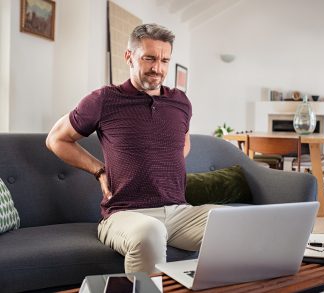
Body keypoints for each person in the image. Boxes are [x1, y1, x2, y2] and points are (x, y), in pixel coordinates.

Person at [46, 23, 219, 274]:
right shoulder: (105, 99)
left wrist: (161, 160)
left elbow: (183, 143)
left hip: (179, 212)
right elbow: (56, 139)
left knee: (231, 222)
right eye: (149, 58)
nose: (157, 68)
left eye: (164, 60)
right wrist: (99, 171)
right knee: (151, 231)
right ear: (129, 56)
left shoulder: (180, 102)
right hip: (124, 214)